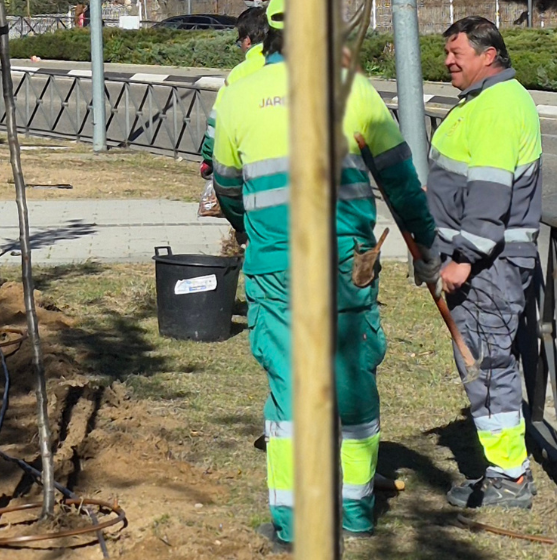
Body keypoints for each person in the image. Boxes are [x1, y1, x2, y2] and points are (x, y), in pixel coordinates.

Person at [212, 0, 441, 548]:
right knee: (354, 384)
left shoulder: (237, 95)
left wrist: (256, 234)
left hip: (276, 269)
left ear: (267, 34)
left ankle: (293, 523)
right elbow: (402, 182)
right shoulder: (352, 89)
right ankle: (356, 511)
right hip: (346, 267)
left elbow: (225, 186)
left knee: (289, 393)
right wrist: (426, 249)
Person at [425, 16, 542, 510]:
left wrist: (464, 259)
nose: (448, 61)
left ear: (488, 55)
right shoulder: (484, 101)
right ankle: (503, 469)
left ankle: (511, 478)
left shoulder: (496, 106)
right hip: (483, 263)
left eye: (457, 54)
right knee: (486, 364)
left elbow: (490, 195)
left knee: (488, 366)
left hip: (488, 266)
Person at [199, 5, 267, 180]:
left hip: (249, 165)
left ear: (247, 41)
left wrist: (208, 159)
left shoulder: (240, 73)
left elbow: (218, 120)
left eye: (240, 42)